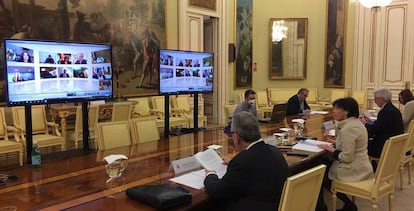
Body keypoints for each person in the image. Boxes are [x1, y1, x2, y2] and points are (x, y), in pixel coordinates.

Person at [204, 111, 289, 211]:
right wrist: (233, 163)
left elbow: (218, 191)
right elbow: (256, 167)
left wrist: (211, 175)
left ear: (236, 136)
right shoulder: (275, 151)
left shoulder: (242, 161)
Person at [318, 97, 374, 211]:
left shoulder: (348, 129)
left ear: (347, 111)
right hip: (363, 165)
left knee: (320, 173)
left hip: (354, 168)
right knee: (323, 164)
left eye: (337, 108)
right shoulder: (356, 123)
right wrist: (335, 142)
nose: (333, 111)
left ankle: (348, 205)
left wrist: (331, 149)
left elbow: (347, 157)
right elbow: (353, 144)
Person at [360, 88, 404, 160]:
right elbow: (383, 125)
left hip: (384, 146)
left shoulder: (385, 111)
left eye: (375, 99)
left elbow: (375, 129)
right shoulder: (392, 109)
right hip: (393, 144)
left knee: (360, 144)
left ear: (381, 99)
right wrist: (370, 121)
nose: (375, 101)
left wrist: (364, 123)